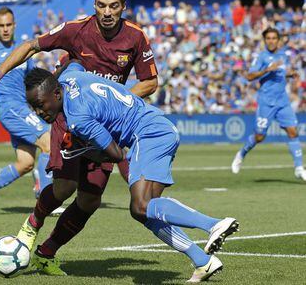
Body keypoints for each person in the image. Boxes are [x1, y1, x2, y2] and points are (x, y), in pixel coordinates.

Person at [0, 0, 158, 274]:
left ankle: (47, 252)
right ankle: (30, 229)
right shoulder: (76, 29)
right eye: (101, 5)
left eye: (113, 6)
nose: (107, 12)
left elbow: (150, 81)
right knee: (64, 187)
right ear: (94, 5)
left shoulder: (136, 37)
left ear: (123, 7)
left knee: (90, 199)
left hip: (105, 128)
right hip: (69, 121)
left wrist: (115, 100)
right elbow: (32, 45)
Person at [24, 61, 239, 282]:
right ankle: (203, 261)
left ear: (57, 93)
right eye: (34, 107)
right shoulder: (71, 77)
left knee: (141, 205)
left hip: (147, 134)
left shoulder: (79, 119)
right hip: (158, 126)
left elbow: (116, 155)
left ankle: (213, 224)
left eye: (41, 104)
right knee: (142, 212)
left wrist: (82, 150)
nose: (40, 112)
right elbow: (75, 64)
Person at [0, 7, 64, 217]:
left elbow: (32, 80)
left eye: (8, 25)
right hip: (10, 109)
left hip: (22, 109)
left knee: (26, 163)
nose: (5, 29)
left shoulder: (22, 52)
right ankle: (46, 198)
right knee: (50, 142)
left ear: (14, 25)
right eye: (1, 26)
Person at [231, 27, 306, 180]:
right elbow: (250, 76)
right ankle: (241, 153)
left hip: (283, 102)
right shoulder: (261, 57)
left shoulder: (283, 56)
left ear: (278, 40)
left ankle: (299, 167)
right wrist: (267, 70)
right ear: (265, 40)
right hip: (266, 102)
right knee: (259, 137)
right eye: (268, 38)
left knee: (293, 132)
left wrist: (290, 74)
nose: (271, 41)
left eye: (274, 38)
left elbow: (281, 72)